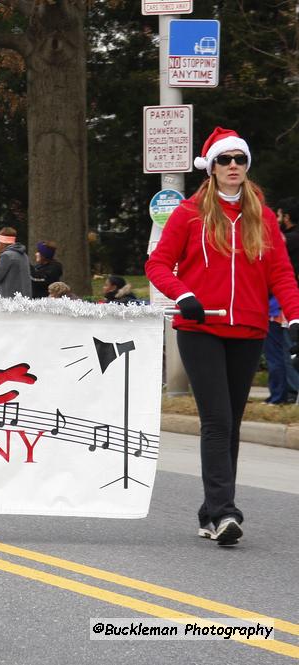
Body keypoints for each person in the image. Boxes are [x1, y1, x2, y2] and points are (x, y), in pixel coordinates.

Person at [145, 127, 299, 547]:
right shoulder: (190, 214)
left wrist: (295, 318)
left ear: (247, 167)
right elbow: (158, 265)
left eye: (240, 160)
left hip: (248, 328)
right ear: (211, 167)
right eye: (225, 159)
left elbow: (281, 273)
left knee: (231, 424)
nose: (233, 166)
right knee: (217, 420)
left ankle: (211, 510)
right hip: (201, 327)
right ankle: (227, 512)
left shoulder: (263, 217)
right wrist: (185, 295)